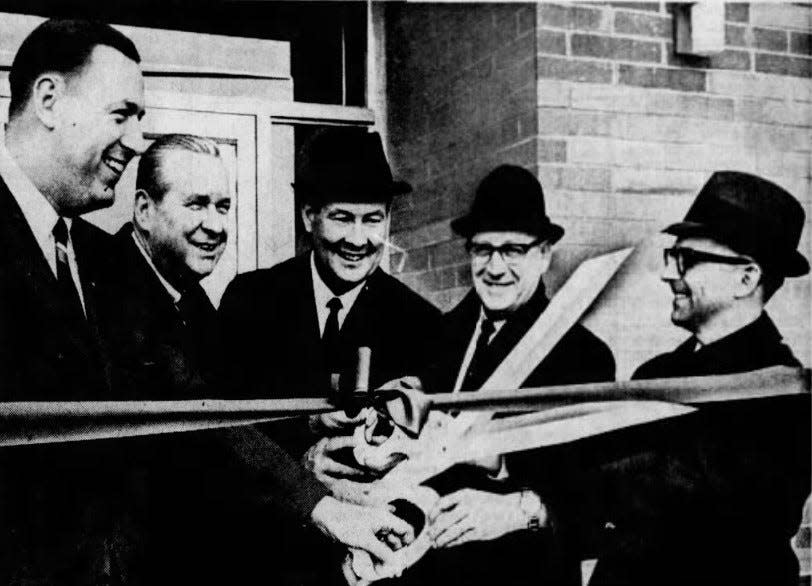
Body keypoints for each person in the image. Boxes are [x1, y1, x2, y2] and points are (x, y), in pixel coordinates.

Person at [97, 134, 416, 584]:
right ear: (144, 210)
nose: (215, 225)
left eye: (223, 207)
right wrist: (320, 501)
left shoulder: (194, 304)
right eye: (196, 204)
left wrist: (309, 427)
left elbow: (230, 420)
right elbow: (213, 428)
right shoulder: (109, 286)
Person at [218, 128, 441, 584]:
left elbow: (430, 462)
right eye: (342, 217)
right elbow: (225, 436)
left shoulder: (422, 324)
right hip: (267, 555)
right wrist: (303, 459)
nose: (358, 239)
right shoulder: (251, 300)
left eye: (373, 219)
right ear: (309, 216)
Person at [383, 164, 615, 585]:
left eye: (512, 250)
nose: (494, 267)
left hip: (520, 573)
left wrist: (502, 470)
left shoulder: (582, 357)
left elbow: (591, 497)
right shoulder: (439, 334)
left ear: (544, 254)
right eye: (482, 249)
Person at [582, 171, 811, 586]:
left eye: (687, 260)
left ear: (746, 278)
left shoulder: (788, 397)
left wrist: (547, 499)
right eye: (672, 257)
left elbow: (690, 503)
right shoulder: (655, 375)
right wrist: (499, 455)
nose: (669, 274)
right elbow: (598, 477)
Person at [0, 18, 147, 583]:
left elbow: (186, 402)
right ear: (49, 100)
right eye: (122, 115)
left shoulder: (107, 260)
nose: (136, 142)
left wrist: (318, 499)